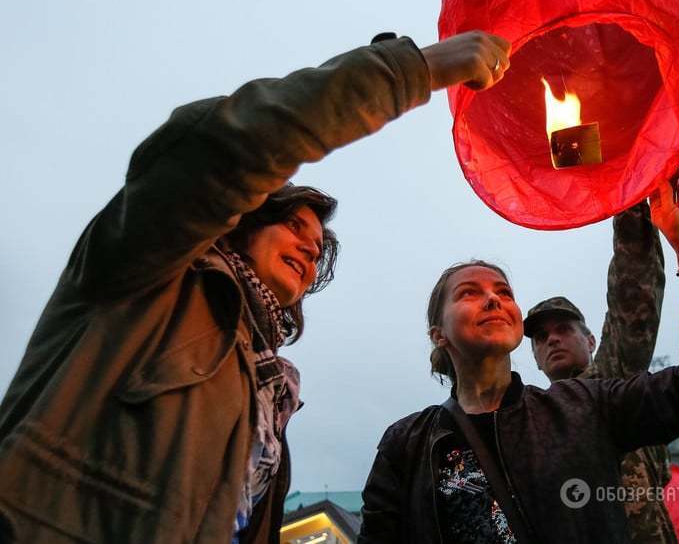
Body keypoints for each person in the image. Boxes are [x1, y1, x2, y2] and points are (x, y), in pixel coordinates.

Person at [0, 30, 512, 543]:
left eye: (317, 248)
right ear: (241, 220)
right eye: (294, 227)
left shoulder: (266, 382)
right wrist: (409, 70)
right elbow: (219, 148)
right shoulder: (143, 274)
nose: (311, 249)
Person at [359, 167, 679, 543]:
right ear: (438, 334)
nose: (494, 298)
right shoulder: (404, 444)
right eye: (469, 293)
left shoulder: (585, 407)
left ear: (590, 340)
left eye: (504, 292)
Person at [524, 201, 678, 542]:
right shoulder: (527, 421)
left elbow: (633, 291)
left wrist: (629, 197)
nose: (551, 340)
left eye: (563, 328)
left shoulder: (614, 380)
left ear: (591, 339)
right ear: (534, 358)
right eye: (540, 337)